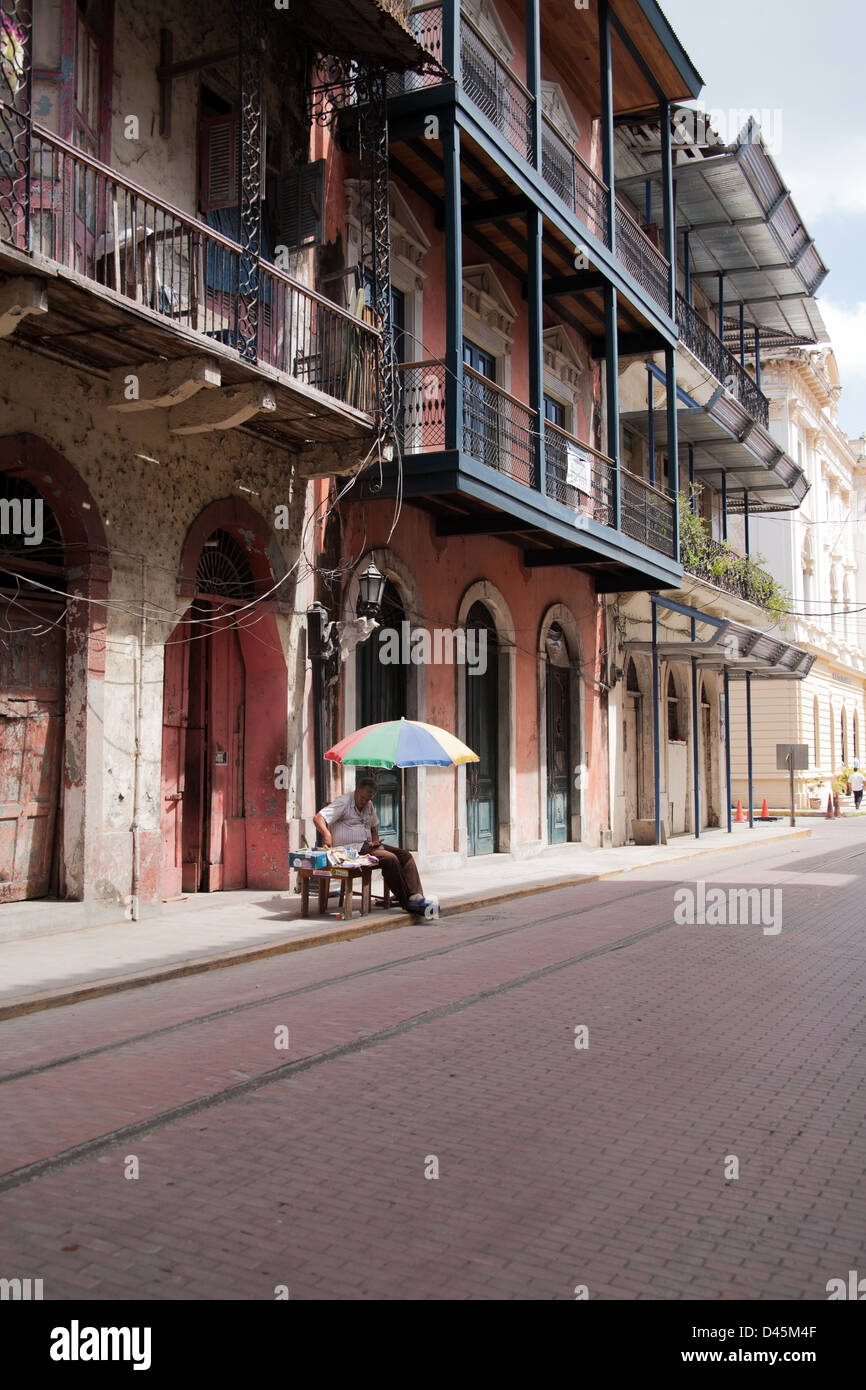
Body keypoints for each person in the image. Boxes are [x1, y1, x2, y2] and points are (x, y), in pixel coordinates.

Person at [313, 777, 436, 915]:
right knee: (390, 859)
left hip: (368, 846)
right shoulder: (344, 802)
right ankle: (407, 902)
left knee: (405, 855)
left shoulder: (369, 805)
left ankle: (416, 896)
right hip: (351, 848)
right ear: (357, 790)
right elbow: (318, 818)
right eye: (362, 797)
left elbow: (373, 829)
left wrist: (376, 840)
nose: (363, 801)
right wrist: (327, 835)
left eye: (367, 798)